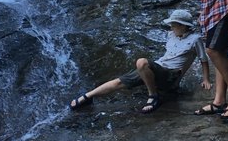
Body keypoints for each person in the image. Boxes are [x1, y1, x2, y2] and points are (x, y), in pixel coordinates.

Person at [69, 9, 211, 114]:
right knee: (120, 81)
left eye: (174, 25)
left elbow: (203, 59)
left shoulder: (195, 39)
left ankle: (153, 96)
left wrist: (205, 79)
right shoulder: (170, 35)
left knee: (141, 62)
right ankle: (88, 96)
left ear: (184, 26)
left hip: (171, 75)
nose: (171, 27)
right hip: (158, 68)